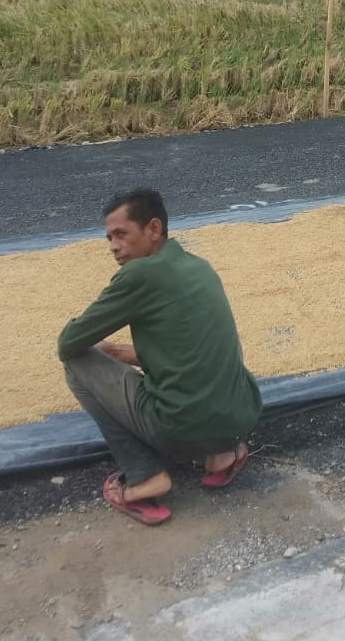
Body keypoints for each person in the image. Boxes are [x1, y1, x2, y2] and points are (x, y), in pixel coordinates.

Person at [57, 189, 262, 525]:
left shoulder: (137, 275)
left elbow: (68, 344)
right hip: (242, 417)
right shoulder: (200, 267)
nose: (113, 246)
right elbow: (183, 349)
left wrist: (99, 347)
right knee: (217, 340)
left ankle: (144, 476)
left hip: (179, 433)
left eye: (121, 234)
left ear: (153, 229)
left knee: (77, 364)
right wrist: (116, 352)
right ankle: (223, 455)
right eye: (109, 238)